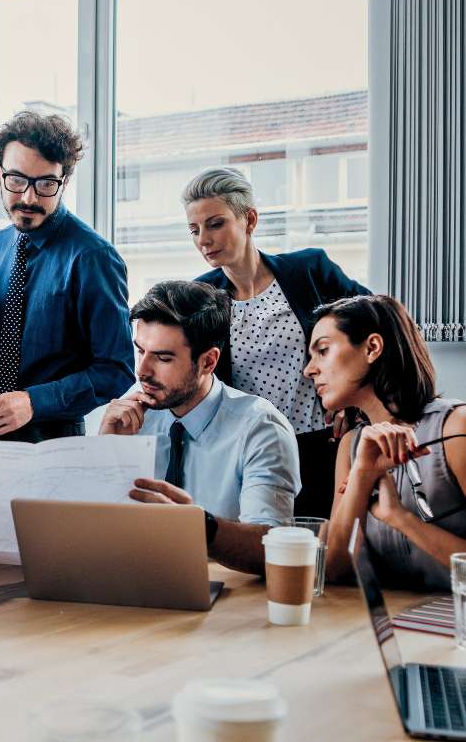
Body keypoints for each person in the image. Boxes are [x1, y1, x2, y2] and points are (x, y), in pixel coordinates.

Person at [185, 166, 370, 517]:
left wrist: (355, 399)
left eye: (215, 224)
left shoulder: (310, 271)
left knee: (322, 553)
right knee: (258, 553)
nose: (203, 240)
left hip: (321, 443)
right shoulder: (201, 298)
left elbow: (380, 324)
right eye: (194, 230)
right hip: (248, 450)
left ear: (249, 220)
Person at [100, 281, 301, 576]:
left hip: (228, 599)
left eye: (163, 358)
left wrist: (197, 526)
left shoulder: (261, 429)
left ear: (208, 362)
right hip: (134, 583)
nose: (142, 370)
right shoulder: (127, 415)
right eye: (140, 350)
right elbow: (98, 537)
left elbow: (271, 547)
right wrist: (104, 451)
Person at [0, 112, 135, 442]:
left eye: (46, 184)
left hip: (55, 439)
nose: (29, 198)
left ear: (65, 182)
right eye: (16, 181)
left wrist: (33, 401)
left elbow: (116, 371)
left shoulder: (94, 258)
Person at [304, 295, 466, 590]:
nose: (309, 370)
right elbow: (334, 567)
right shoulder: (351, 447)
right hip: (384, 626)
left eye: (323, 351)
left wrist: (400, 517)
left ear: (372, 348)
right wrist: (363, 475)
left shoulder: (457, 428)